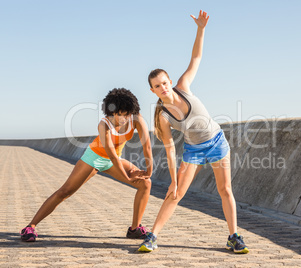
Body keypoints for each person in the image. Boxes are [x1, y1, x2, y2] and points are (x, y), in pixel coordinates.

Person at [138, 10, 249, 254]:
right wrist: (174, 181)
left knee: (225, 190)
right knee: (175, 194)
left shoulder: (184, 86)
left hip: (217, 142)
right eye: (157, 86)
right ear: (153, 90)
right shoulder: (163, 116)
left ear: (169, 81)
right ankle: (152, 237)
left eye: (165, 82)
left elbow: (196, 57)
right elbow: (169, 149)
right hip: (193, 151)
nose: (163, 87)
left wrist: (201, 29)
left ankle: (234, 237)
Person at [20, 88, 153, 242]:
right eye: (122, 114)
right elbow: (110, 154)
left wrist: (148, 172)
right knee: (65, 191)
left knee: (146, 183)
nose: (126, 118)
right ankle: (30, 227)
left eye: (129, 113)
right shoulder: (104, 125)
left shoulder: (136, 119)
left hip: (114, 159)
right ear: (113, 112)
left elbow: (147, 147)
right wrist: (128, 178)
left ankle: (135, 229)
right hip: (94, 158)